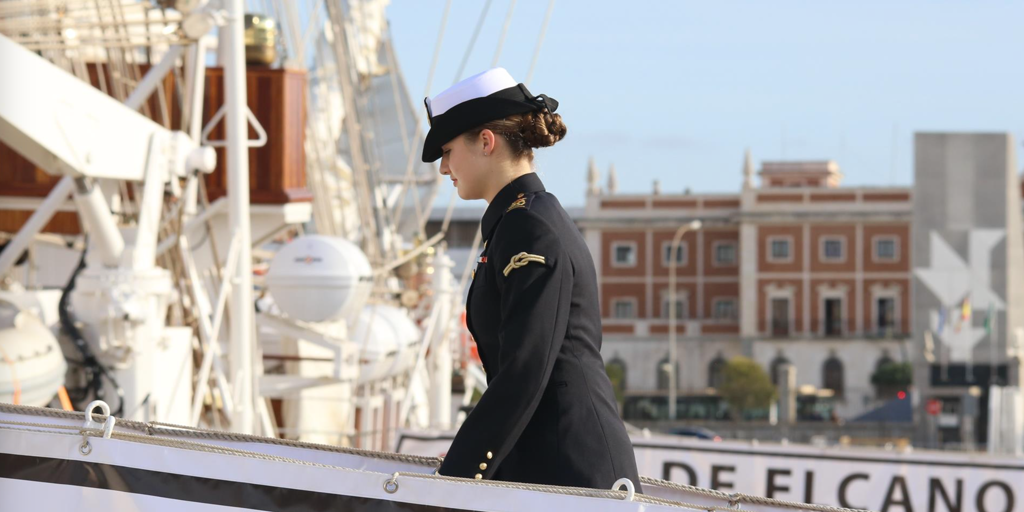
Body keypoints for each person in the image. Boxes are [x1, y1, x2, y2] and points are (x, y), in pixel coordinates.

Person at [421, 68, 642, 491]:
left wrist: (457, 475)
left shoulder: (530, 227)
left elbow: (524, 369)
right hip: (544, 468)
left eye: (448, 151)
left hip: (572, 475)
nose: (444, 167)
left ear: (486, 142)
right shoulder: (518, 222)